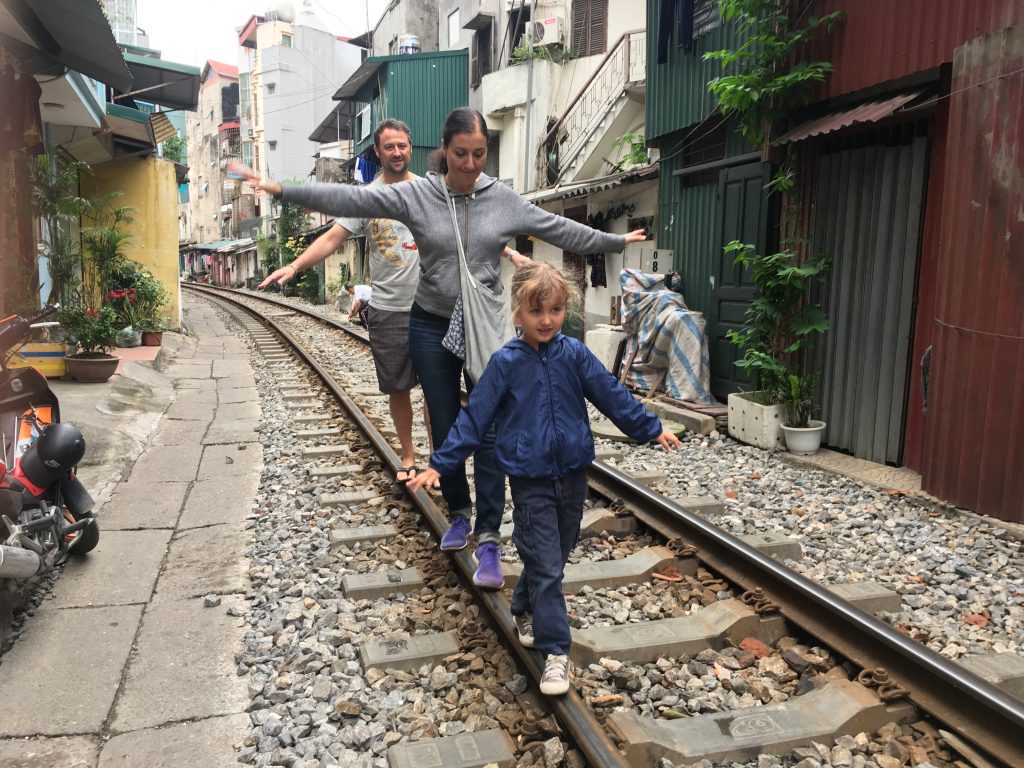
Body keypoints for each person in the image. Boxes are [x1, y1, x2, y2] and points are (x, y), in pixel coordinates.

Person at [243, 106, 648, 591]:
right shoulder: (417, 194)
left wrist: (616, 240)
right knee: (445, 420)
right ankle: (459, 510)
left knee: (492, 428)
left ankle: (490, 536)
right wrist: (283, 190)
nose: (472, 163)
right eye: (462, 154)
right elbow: (349, 198)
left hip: (482, 325)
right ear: (445, 149)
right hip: (430, 323)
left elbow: (558, 228)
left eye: (479, 154)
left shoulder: (501, 199)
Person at [406, 261, 681, 695]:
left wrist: (650, 427)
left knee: (557, 551)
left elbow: (610, 395)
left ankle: (522, 605)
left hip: (573, 473)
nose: (547, 320)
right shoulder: (505, 363)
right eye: (536, 312)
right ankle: (557, 652)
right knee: (548, 564)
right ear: (517, 313)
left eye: (554, 310)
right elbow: (474, 419)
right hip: (530, 477)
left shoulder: (573, 354)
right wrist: (441, 463)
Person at [256, 119, 423, 483]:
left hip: (431, 309)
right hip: (389, 307)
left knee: (438, 391)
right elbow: (333, 238)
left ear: (411, 148)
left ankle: (441, 459)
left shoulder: (428, 192)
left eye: (403, 146)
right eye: (390, 147)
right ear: (377, 152)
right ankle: (408, 454)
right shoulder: (367, 199)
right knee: (398, 389)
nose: (397, 152)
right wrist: (296, 265)